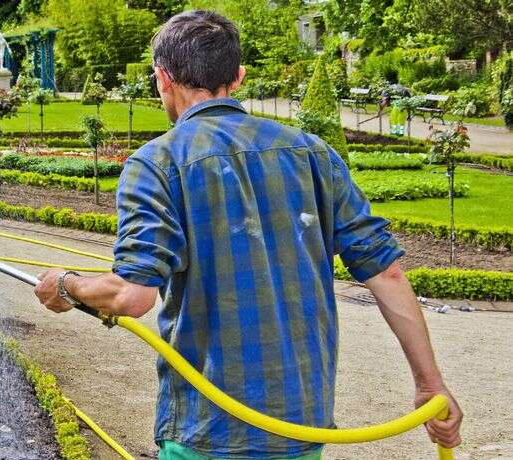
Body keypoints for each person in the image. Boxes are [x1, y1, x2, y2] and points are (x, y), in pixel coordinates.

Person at [33, 10, 462, 460]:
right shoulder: (314, 153)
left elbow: (132, 296)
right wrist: (431, 386)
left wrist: (67, 285)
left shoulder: (157, 162)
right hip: (300, 422)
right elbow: (388, 276)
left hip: (209, 426)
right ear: (237, 77)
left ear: (162, 78)